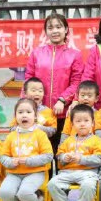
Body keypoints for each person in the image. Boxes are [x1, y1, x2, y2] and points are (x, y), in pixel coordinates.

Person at [24, 12, 83, 150]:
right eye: (50, 28)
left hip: (63, 113)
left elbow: (77, 82)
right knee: (39, 152)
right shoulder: (37, 53)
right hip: (39, 113)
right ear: (46, 31)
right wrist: (26, 105)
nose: (55, 31)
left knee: (62, 151)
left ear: (66, 29)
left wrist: (62, 100)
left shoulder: (75, 55)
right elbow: (28, 80)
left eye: (58, 27)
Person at [48, 105, 101, 201]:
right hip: (67, 172)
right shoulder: (68, 140)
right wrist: (65, 157)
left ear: (92, 123)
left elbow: (100, 159)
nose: (82, 124)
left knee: (89, 186)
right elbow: (59, 155)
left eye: (86, 121)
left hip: (88, 173)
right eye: (78, 121)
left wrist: (81, 159)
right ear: (72, 124)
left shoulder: (96, 140)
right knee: (52, 184)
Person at [0, 99, 54, 201]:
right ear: (15, 116)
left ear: (35, 116)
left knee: (24, 193)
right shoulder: (11, 136)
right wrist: (11, 162)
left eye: (28, 112)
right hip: (14, 173)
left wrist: (29, 161)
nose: (24, 115)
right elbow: (2, 156)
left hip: (35, 173)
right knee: (4, 192)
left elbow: (48, 156)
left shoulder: (40, 134)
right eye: (20, 112)